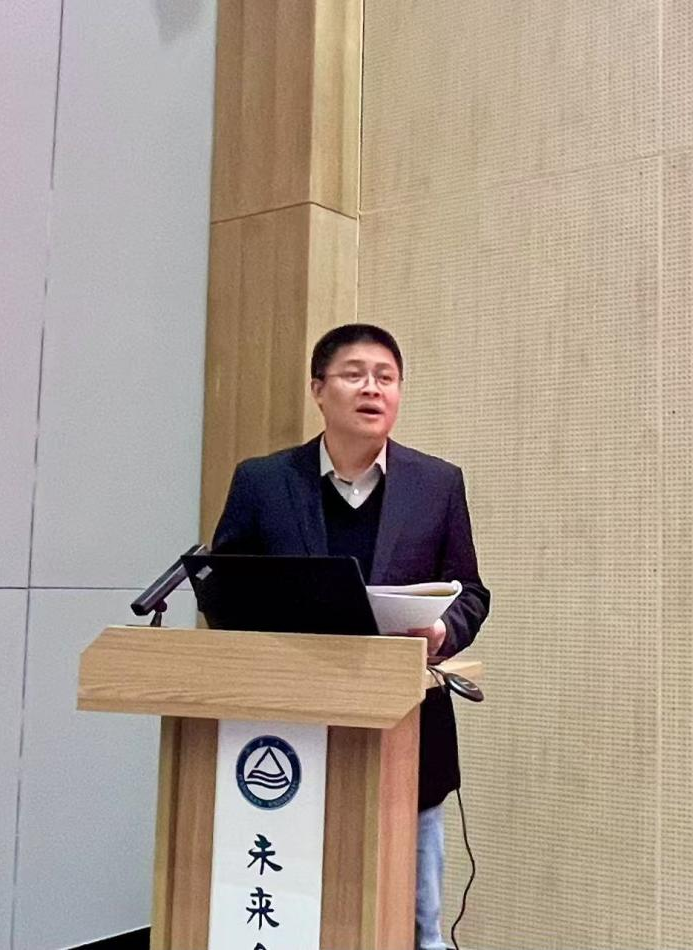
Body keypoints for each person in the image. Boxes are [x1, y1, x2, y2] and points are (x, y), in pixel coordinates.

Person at [211, 323, 490, 949]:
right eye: (354, 374)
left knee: (415, 928)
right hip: (291, 731)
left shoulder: (437, 484)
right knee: (303, 915)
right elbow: (222, 588)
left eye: (386, 378)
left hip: (406, 737)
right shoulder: (263, 481)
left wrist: (441, 630)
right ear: (318, 389)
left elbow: (471, 591)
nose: (372, 389)